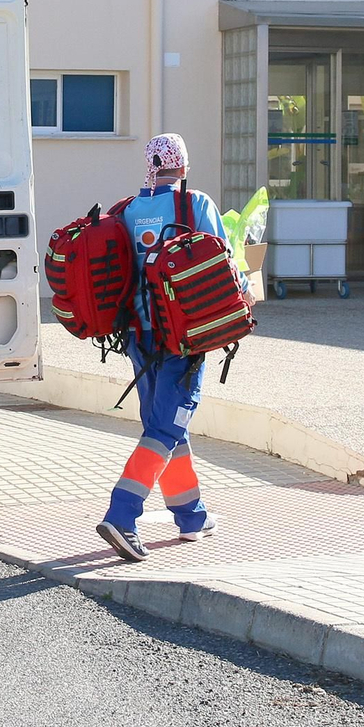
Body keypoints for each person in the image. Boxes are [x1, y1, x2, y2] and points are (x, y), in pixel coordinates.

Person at [95, 132, 254, 562]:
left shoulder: (126, 211)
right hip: (183, 338)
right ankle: (122, 514)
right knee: (167, 426)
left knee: (163, 424)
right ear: (182, 165)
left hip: (137, 337)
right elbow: (226, 264)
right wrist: (246, 295)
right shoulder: (194, 204)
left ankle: (191, 515)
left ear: (148, 167)